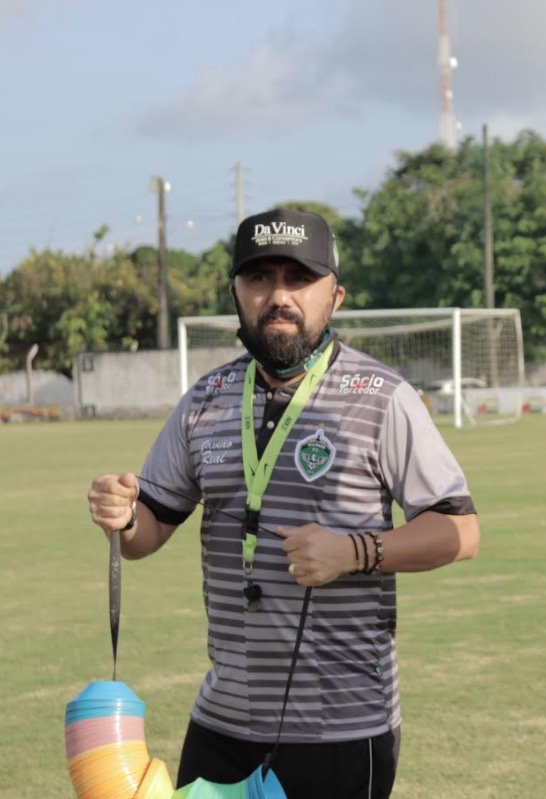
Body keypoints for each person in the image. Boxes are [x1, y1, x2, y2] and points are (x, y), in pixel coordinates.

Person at [87, 208, 480, 799]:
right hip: (223, 717)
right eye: (259, 278)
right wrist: (120, 514)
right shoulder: (205, 400)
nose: (278, 295)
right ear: (236, 292)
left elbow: (461, 532)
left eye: (298, 278)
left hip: (342, 726)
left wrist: (355, 551)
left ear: (335, 295)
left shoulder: (384, 398)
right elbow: (148, 533)